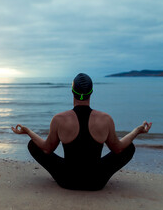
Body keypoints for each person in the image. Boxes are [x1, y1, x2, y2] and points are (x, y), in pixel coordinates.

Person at [11, 73, 152, 191]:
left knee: (33, 144)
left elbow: (47, 149)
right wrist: (137, 131)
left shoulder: (59, 119)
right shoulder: (105, 119)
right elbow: (118, 148)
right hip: (96, 182)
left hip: (67, 181)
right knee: (129, 148)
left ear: (72, 91)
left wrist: (28, 131)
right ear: (91, 92)